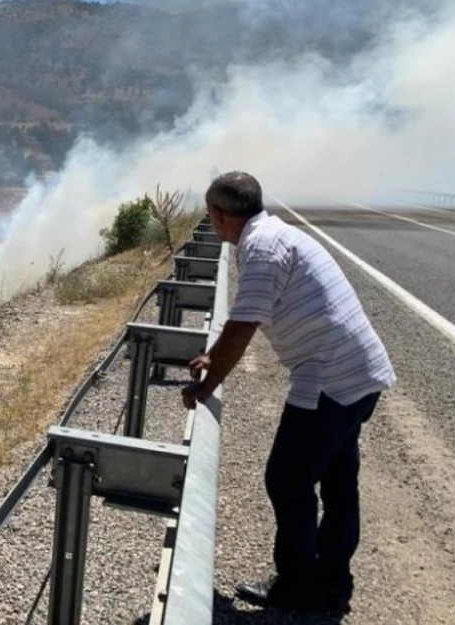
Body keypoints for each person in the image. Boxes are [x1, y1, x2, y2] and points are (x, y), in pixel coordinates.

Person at [181, 171, 396, 614]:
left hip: (329, 379)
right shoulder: (275, 233)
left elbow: (242, 328)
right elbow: (243, 320)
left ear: (221, 216)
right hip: (360, 373)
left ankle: (298, 588)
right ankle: (333, 583)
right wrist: (213, 358)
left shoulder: (259, 248)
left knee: (288, 478)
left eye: (211, 215)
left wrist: (207, 383)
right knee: (338, 480)